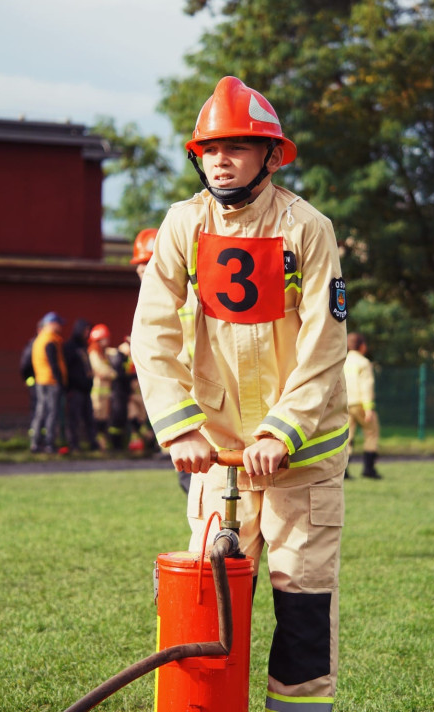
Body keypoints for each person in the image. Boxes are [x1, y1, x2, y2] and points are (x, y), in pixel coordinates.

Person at [131, 76, 349, 712]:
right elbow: (152, 331)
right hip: (219, 457)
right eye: (211, 149)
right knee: (205, 608)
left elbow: (324, 343)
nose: (221, 160)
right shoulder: (182, 225)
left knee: (302, 608)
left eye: (238, 147)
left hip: (301, 463)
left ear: (271, 155)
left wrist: (283, 430)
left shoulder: (309, 228)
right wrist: (180, 429)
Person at [131, 227, 193, 481]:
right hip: (176, 392)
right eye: (140, 263)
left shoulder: (189, 295)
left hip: (197, 392)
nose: (141, 269)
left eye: (148, 261)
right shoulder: (153, 300)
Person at [344, 332, 382, 479]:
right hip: (360, 403)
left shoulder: (343, 361)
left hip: (345, 404)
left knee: (347, 436)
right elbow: (366, 386)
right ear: (362, 346)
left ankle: (344, 471)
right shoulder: (363, 363)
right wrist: (368, 409)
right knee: (371, 432)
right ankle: (369, 469)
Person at [29, 312, 68, 454]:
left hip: (41, 380)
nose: (60, 327)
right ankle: (49, 443)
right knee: (51, 412)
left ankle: (35, 442)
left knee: (40, 412)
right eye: (58, 324)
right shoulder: (50, 340)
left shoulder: (39, 339)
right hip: (51, 381)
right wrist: (61, 382)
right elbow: (54, 363)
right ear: (51, 324)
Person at [63, 318, 98, 454]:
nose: (88, 333)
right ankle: (74, 445)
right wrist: (71, 385)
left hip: (86, 389)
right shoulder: (70, 347)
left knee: (89, 418)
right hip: (75, 390)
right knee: (74, 419)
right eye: (86, 330)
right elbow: (68, 369)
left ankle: (92, 443)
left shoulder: (84, 347)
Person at [88, 323, 117, 451]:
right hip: (97, 393)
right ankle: (98, 443)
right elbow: (100, 369)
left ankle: (103, 443)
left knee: (104, 418)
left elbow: (114, 353)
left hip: (105, 393)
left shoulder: (104, 352)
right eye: (105, 338)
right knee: (98, 417)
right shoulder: (94, 352)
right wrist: (113, 373)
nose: (107, 340)